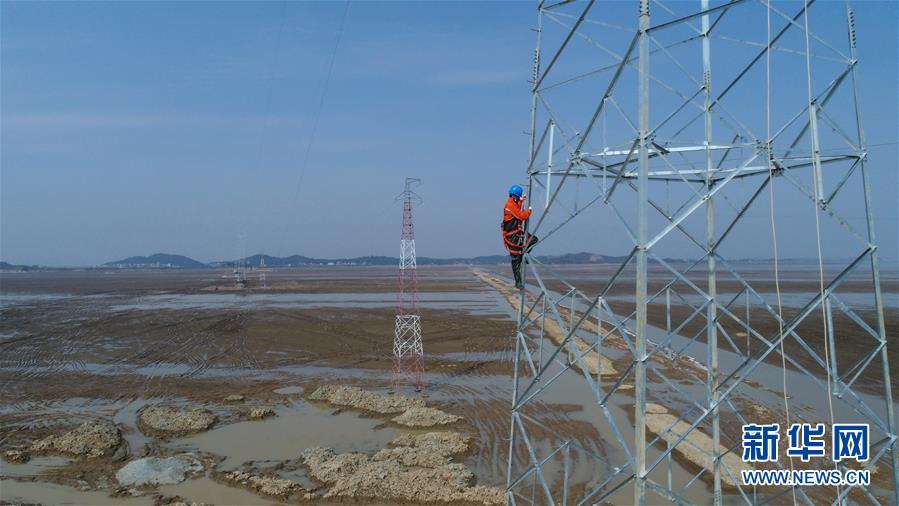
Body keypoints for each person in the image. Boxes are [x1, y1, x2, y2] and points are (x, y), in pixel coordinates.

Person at [501, 184, 539, 289]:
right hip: (512, 236)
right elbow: (521, 216)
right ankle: (518, 282)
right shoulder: (509, 205)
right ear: (514, 196)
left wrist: (521, 201)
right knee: (515, 259)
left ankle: (524, 256)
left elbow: (517, 207)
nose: (518, 198)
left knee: (533, 240)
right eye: (518, 197)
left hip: (518, 232)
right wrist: (529, 211)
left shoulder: (513, 202)